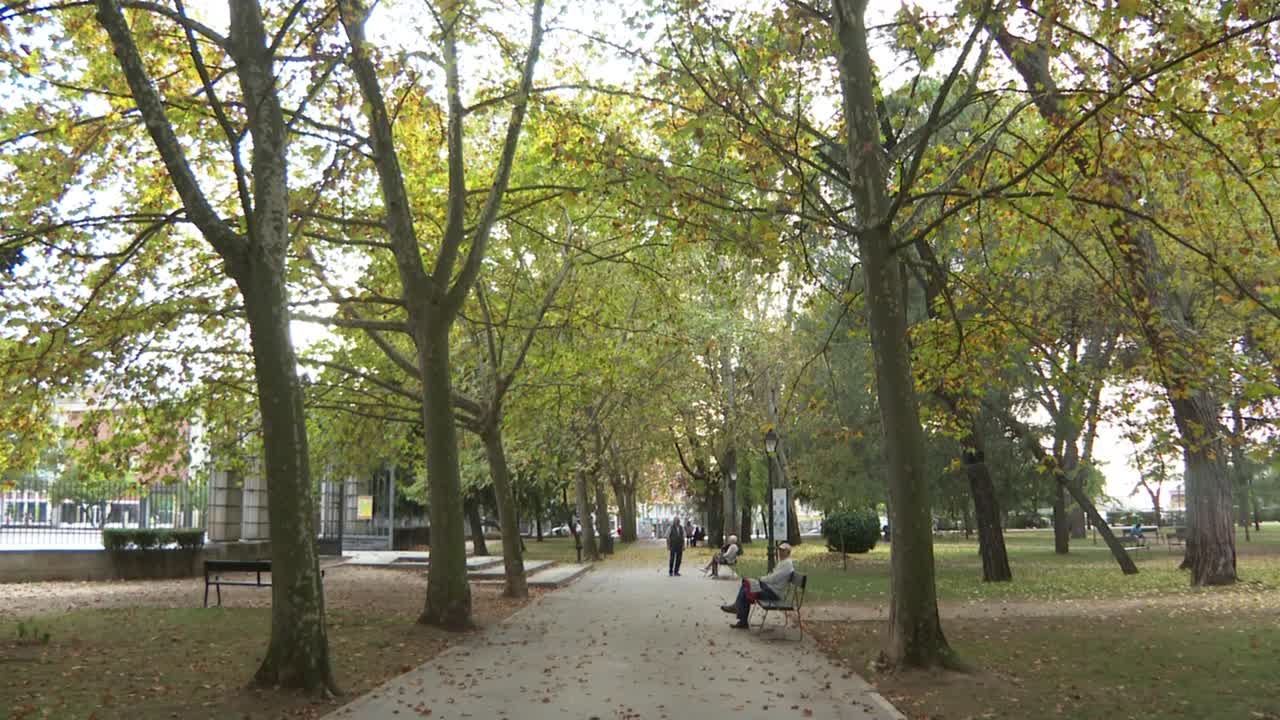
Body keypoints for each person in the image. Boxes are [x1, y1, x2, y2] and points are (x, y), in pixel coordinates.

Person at [721, 542, 794, 629]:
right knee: (746, 583)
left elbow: (773, 579)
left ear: (788, 552)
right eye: (780, 550)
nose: (780, 552)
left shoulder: (787, 564)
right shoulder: (783, 562)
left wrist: (761, 579)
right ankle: (737, 607)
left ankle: (741, 618)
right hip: (769, 588)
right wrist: (761, 579)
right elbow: (772, 577)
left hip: (773, 593)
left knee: (746, 591)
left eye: (783, 551)